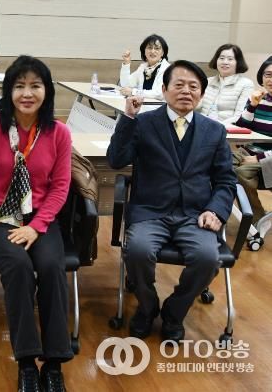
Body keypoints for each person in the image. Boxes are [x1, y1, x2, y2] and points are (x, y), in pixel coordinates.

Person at [0, 56, 72, 392]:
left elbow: (60, 187)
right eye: (19, 86)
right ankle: (26, 363)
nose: (27, 93)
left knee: (51, 266)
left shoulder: (58, 132)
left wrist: (37, 226)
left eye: (35, 86)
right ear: (8, 91)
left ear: (47, 92)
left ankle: (54, 364)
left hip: (40, 217)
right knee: (19, 266)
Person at [107, 60, 236, 342]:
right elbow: (116, 159)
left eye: (193, 87)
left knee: (207, 258)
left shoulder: (214, 131)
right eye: (179, 85)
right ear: (164, 90)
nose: (186, 91)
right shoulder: (143, 123)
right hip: (150, 211)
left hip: (195, 215)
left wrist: (215, 210)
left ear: (202, 94)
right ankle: (147, 307)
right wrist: (127, 118)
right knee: (138, 251)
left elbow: (226, 181)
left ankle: (174, 312)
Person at [233, 56, 272, 225]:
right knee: (220, 164)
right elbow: (242, 128)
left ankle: (255, 219)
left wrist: (258, 158)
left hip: (268, 156)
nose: (271, 79)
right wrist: (252, 106)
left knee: (241, 173)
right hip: (249, 151)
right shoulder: (257, 98)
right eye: (268, 74)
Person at [199, 44, 253, 124]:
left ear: (238, 62)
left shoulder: (246, 84)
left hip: (226, 127)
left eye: (230, 59)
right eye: (221, 58)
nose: (225, 62)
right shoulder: (207, 81)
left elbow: (239, 116)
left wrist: (218, 127)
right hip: (201, 125)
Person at [119, 34, 171, 99]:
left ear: (163, 52)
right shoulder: (143, 67)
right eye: (150, 48)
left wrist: (134, 92)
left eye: (157, 48)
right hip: (141, 104)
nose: (152, 51)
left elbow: (160, 94)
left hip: (159, 105)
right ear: (144, 51)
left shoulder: (167, 69)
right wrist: (126, 63)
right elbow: (125, 84)